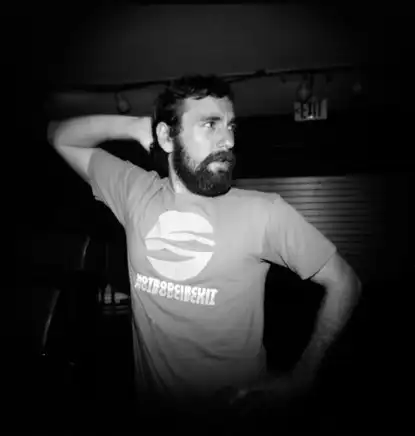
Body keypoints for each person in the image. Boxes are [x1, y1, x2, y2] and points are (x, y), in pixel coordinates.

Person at [48, 75, 361, 431]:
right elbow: (60, 136)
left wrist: (302, 378)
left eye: (230, 126)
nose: (228, 140)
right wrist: (134, 126)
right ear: (167, 137)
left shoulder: (264, 212)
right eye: (210, 124)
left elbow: (345, 282)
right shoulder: (135, 192)